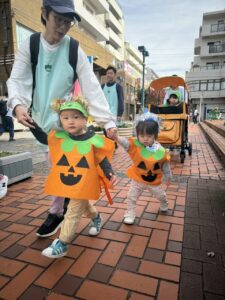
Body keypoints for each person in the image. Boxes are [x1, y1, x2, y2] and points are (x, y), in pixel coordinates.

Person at [7, 0, 116, 238]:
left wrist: (107, 122)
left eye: (68, 22)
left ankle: (57, 212)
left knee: (61, 171)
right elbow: (17, 79)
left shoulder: (74, 49)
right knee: (63, 174)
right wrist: (17, 104)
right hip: (38, 123)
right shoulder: (31, 44)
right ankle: (82, 211)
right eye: (59, 19)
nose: (63, 27)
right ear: (45, 14)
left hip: (65, 126)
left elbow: (91, 87)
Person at [29, 96, 116, 258]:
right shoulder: (61, 137)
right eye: (65, 117)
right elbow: (44, 138)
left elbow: (102, 158)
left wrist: (109, 172)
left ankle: (62, 243)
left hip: (85, 183)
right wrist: (32, 124)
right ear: (60, 120)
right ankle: (96, 217)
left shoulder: (93, 140)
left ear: (85, 118)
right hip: (68, 184)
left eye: (76, 117)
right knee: (81, 205)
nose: (70, 121)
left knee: (72, 212)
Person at [114, 113, 172, 224]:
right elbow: (125, 143)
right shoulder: (135, 146)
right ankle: (130, 214)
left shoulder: (160, 151)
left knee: (160, 195)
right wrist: (116, 137)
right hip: (137, 179)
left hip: (153, 181)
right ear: (137, 135)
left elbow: (165, 164)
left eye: (149, 136)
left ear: (155, 135)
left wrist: (168, 176)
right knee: (131, 197)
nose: (145, 139)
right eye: (142, 136)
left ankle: (164, 203)